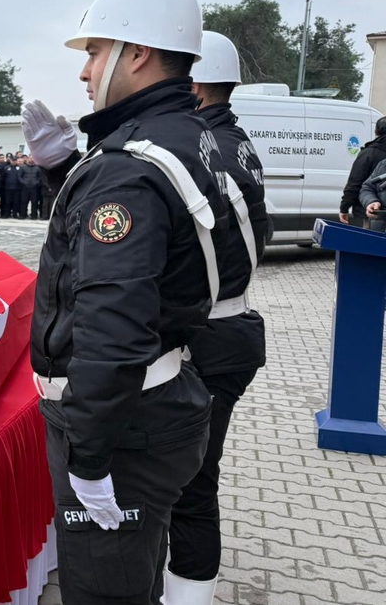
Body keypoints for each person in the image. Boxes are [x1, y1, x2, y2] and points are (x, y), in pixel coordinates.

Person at [23, 0, 229, 605]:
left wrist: (88, 457)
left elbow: (111, 329)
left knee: (105, 590)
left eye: (95, 51)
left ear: (136, 53)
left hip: (123, 424)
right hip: (158, 398)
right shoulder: (186, 137)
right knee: (135, 571)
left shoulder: (128, 169)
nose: (85, 72)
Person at [158, 30, 268, 602]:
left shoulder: (204, 146)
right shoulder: (234, 139)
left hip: (212, 336)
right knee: (193, 476)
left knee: (191, 483)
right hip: (233, 328)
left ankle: (190, 590)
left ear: (194, 83)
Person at [342, 116, 386, 227]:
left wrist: (344, 207)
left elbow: (354, 182)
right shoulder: (383, 164)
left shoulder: (368, 153)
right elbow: (366, 187)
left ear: (376, 132)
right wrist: (371, 202)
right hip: (378, 225)